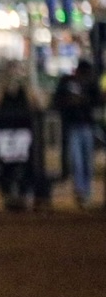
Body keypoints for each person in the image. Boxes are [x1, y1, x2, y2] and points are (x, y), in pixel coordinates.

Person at [0, 62, 46, 211]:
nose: (15, 75)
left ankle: (23, 195)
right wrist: (3, 87)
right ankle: (8, 195)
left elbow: (38, 105)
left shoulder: (27, 88)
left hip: (25, 135)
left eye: (18, 71)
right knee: (6, 166)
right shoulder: (0, 88)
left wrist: (28, 85)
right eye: (11, 71)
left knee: (27, 165)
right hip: (5, 134)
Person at [53, 59, 100, 208]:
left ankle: (85, 191)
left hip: (87, 126)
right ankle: (81, 191)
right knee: (77, 161)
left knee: (86, 161)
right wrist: (70, 102)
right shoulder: (66, 82)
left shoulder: (91, 84)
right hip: (73, 126)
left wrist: (83, 100)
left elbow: (97, 102)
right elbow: (57, 101)